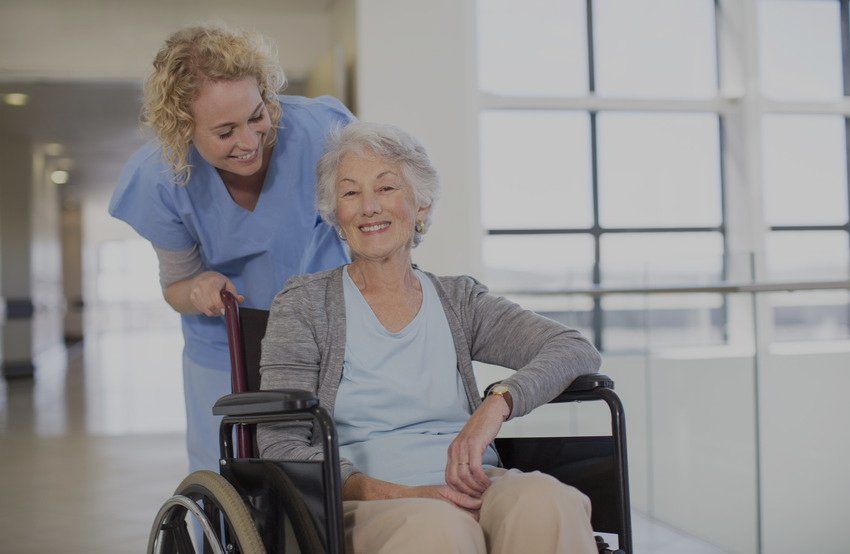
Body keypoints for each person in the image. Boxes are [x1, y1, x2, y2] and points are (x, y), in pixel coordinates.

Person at [258, 121, 602, 553]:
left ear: (419, 206)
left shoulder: (460, 301)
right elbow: (280, 442)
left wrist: (496, 405)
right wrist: (396, 494)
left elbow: (574, 349)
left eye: (385, 188)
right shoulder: (304, 305)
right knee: (442, 529)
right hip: (362, 503)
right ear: (336, 215)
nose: (368, 207)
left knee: (549, 503)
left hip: (474, 482)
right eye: (350, 193)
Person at [109, 25, 352, 479]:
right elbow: (176, 287)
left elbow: (371, 205)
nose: (249, 141)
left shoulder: (319, 133)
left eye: (257, 116)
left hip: (319, 326)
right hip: (225, 344)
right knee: (229, 476)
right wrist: (197, 286)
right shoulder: (162, 178)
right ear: (184, 128)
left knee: (329, 468)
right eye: (224, 132)